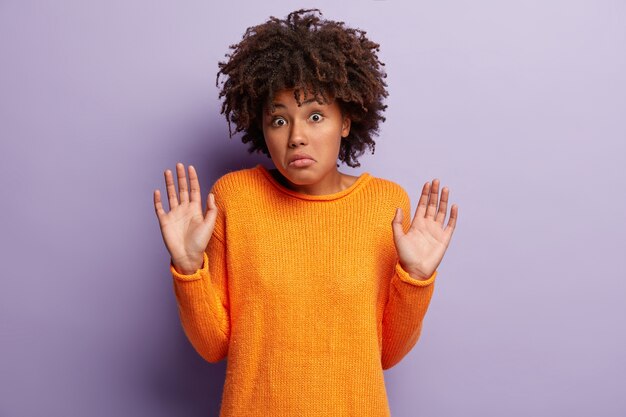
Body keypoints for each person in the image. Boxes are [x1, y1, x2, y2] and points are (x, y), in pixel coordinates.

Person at [153, 8, 458, 417]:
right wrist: (189, 267)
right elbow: (214, 347)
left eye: (315, 116)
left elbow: (385, 354)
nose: (296, 136)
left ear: (346, 121)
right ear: (261, 127)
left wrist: (417, 279)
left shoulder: (386, 207)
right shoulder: (235, 198)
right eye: (279, 120)